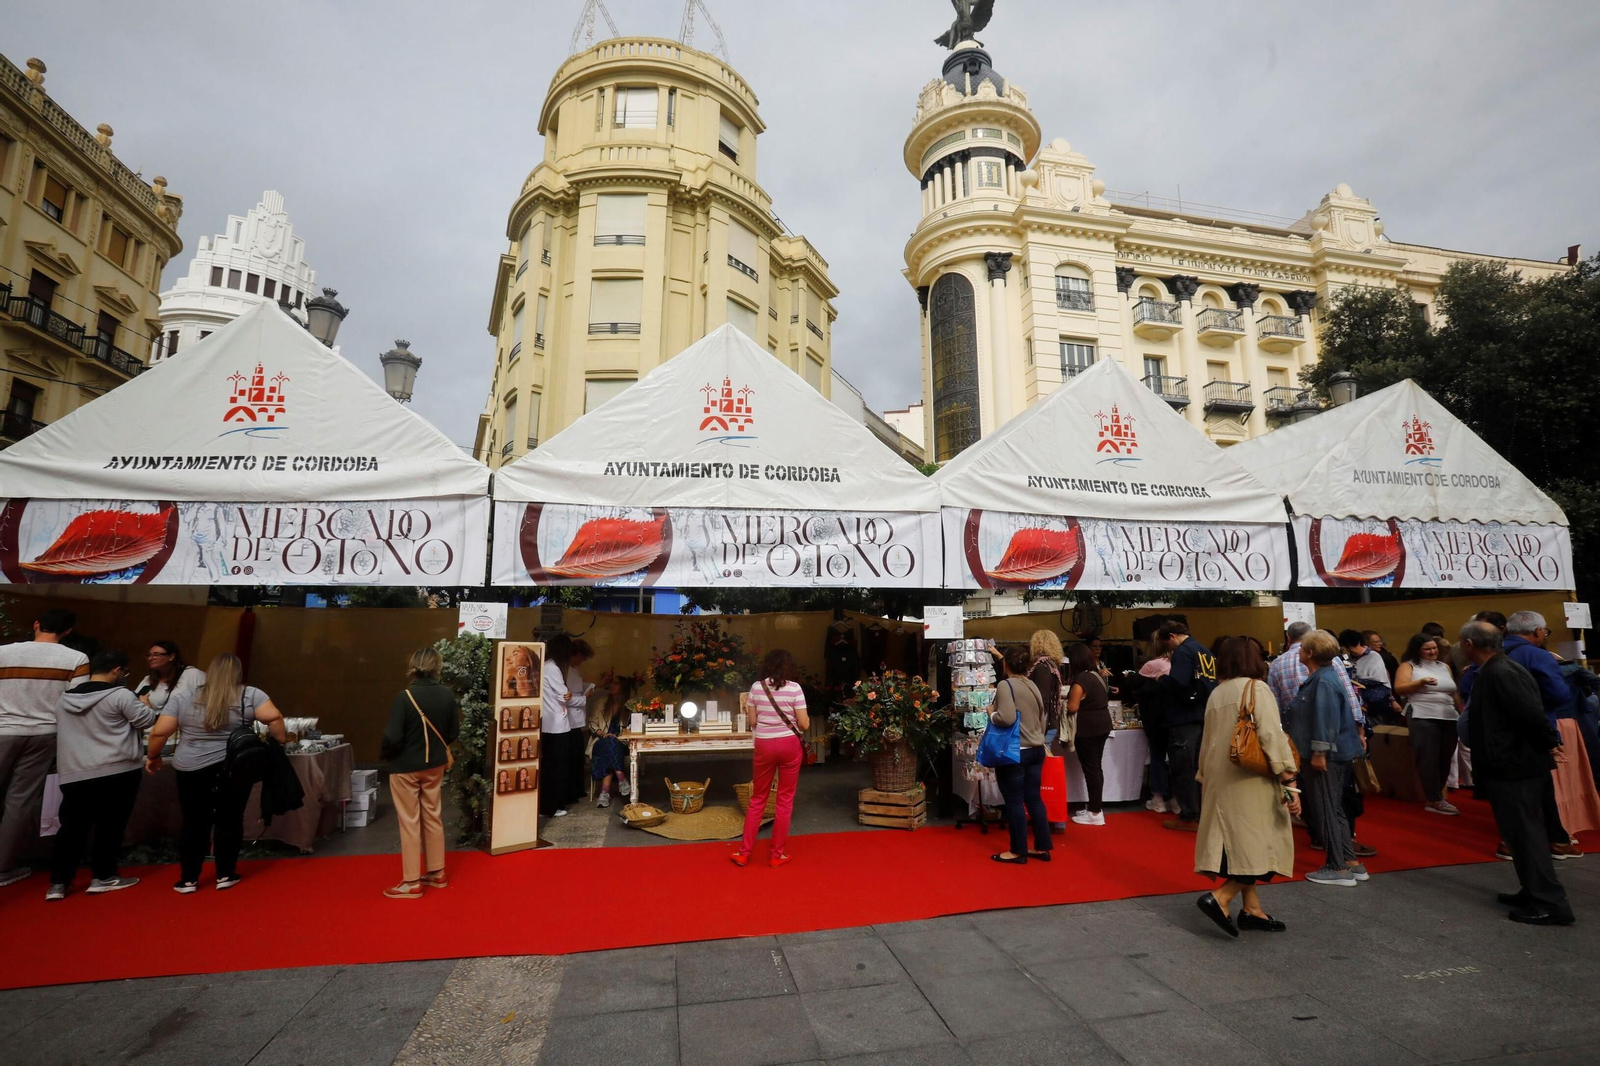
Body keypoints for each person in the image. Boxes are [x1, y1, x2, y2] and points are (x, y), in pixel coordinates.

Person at [1460, 621, 1574, 925]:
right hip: (1508, 765)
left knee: (1527, 834)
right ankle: (1533, 890)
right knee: (1518, 834)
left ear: (1470, 644)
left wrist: (1551, 744)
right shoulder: (1495, 670)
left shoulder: (1502, 672)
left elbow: (1530, 714)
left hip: (1515, 766)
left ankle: (1549, 901)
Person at [144, 653, 287, 892]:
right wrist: (279, 745)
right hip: (233, 767)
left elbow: (160, 732)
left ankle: (188, 879)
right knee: (229, 819)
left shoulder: (184, 695)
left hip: (190, 768)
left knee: (193, 821)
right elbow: (274, 718)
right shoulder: (250, 694)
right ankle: (225, 874)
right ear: (238, 673)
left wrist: (153, 756)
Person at [1194, 637, 1300, 936]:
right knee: (1261, 843)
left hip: (1220, 779)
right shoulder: (1257, 688)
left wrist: (1203, 775)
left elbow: (1208, 740)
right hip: (1250, 780)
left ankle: (1252, 908)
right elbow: (1271, 736)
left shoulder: (1218, 693)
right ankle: (1221, 898)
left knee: (1240, 846)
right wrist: (1288, 778)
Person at [46, 651, 157, 900]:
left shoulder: (65, 699)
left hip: (75, 772)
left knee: (71, 829)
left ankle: (58, 883)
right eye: (124, 673)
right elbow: (146, 721)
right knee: (110, 825)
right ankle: (103, 876)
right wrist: (146, 704)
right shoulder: (119, 694)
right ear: (117, 670)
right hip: (117, 770)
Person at [0, 609, 89, 889]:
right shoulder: (76, 659)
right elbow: (75, 703)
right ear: (68, 631)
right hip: (45, 734)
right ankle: (2, 868)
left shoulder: (3, 652)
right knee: (20, 802)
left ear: (36, 624)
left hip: (1, 729)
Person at [1505, 611, 1600, 843]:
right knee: (1556, 780)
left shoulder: (1492, 654)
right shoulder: (1540, 657)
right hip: (1548, 724)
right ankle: (1558, 831)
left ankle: (1517, 834)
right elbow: (1559, 695)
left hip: (1505, 731)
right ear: (1538, 631)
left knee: (1520, 786)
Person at [1284, 630, 1365, 887]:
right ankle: (1349, 861)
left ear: (1310, 653)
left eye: (1302, 648)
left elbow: (1325, 719)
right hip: (1331, 753)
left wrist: (1319, 753)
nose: (1298, 651)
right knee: (1333, 805)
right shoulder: (1324, 678)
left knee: (1324, 807)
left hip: (1325, 756)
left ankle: (1337, 866)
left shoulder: (1324, 681)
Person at [380, 648, 459, 899]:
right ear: (438, 666)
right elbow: (453, 731)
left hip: (405, 767)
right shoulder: (447, 695)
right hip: (435, 765)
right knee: (433, 816)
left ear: (413, 666)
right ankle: (437, 872)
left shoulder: (404, 697)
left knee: (410, 822)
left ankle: (412, 881)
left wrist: (386, 754)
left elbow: (392, 736)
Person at [733, 649, 809, 867]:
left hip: (764, 745)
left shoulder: (757, 688)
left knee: (758, 799)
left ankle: (744, 852)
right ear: (789, 666)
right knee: (784, 799)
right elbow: (803, 724)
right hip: (789, 745)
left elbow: (753, 722)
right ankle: (777, 855)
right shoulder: (795, 689)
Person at [987, 645, 1052, 864]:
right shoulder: (1032, 684)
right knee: (1034, 799)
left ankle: (1017, 850)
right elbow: (1042, 716)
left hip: (1016, 751)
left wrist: (991, 713)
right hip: (1036, 748)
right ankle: (1042, 847)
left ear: (1005, 664)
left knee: (1014, 801)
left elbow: (1006, 718)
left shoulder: (1006, 685)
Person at [1156, 621, 1216, 831]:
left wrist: (1162, 680)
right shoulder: (1204, 650)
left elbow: (1178, 683)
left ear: (1172, 636)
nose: (1169, 648)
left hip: (1184, 716)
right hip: (1204, 713)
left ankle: (1189, 815)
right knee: (1199, 767)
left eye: (1167, 643)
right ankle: (1202, 813)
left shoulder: (1183, 652)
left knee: (1183, 767)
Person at [1395, 632, 1462, 815]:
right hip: (1422, 714)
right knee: (1428, 757)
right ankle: (1433, 798)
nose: (1432, 652)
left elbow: (1453, 692)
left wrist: (1461, 712)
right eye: (1427, 649)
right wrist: (1419, 683)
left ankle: (1437, 794)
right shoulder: (1408, 666)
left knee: (1445, 756)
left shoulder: (1444, 667)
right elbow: (1399, 688)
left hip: (1449, 715)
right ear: (1418, 650)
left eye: (1434, 648)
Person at [540, 635, 588, 819]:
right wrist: (567, 693)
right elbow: (563, 696)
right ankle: (551, 806)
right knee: (556, 767)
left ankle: (550, 804)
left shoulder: (548, 666)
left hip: (551, 723)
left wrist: (567, 693)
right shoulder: (553, 668)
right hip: (557, 725)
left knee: (552, 766)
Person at [1065, 641, 1112, 826]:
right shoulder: (1095, 675)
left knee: (1091, 769)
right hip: (1102, 724)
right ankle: (1094, 806)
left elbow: (1072, 706)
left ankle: (1095, 812)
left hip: (1088, 728)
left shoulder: (1081, 679)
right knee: (1095, 768)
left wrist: (1065, 703)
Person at [1134, 639, 1175, 814]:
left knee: (1157, 757)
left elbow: (1135, 683)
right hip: (1174, 718)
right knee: (1175, 759)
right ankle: (1176, 799)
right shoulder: (1178, 665)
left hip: (1155, 721)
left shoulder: (1151, 665)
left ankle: (1158, 798)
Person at [588, 672, 634, 807]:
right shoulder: (600, 703)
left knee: (611, 746)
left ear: (623, 687)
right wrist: (602, 733)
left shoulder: (630, 706)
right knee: (609, 744)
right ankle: (621, 778)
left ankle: (605, 792)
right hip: (600, 740)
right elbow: (591, 723)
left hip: (622, 742)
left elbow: (634, 726)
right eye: (611, 683)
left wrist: (619, 737)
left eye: (616, 683)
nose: (611, 685)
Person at [566, 639, 595, 809]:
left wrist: (590, 686)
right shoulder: (564, 672)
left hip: (576, 720)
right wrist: (584, 698)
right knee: (573, 757)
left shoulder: (573, 671)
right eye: (582, 658)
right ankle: (573, 790)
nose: (582, 661)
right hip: (569, 720)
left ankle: (577, 789)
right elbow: (567, 697)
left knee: (577, 757)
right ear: (576, 655)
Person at [135, 641, 205, 712]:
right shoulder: (148, 680)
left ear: (171, 657)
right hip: (153, 721)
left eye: (156, 655)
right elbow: (134, 703)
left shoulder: (192, 674)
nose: (151, 658)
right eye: (149, 655)